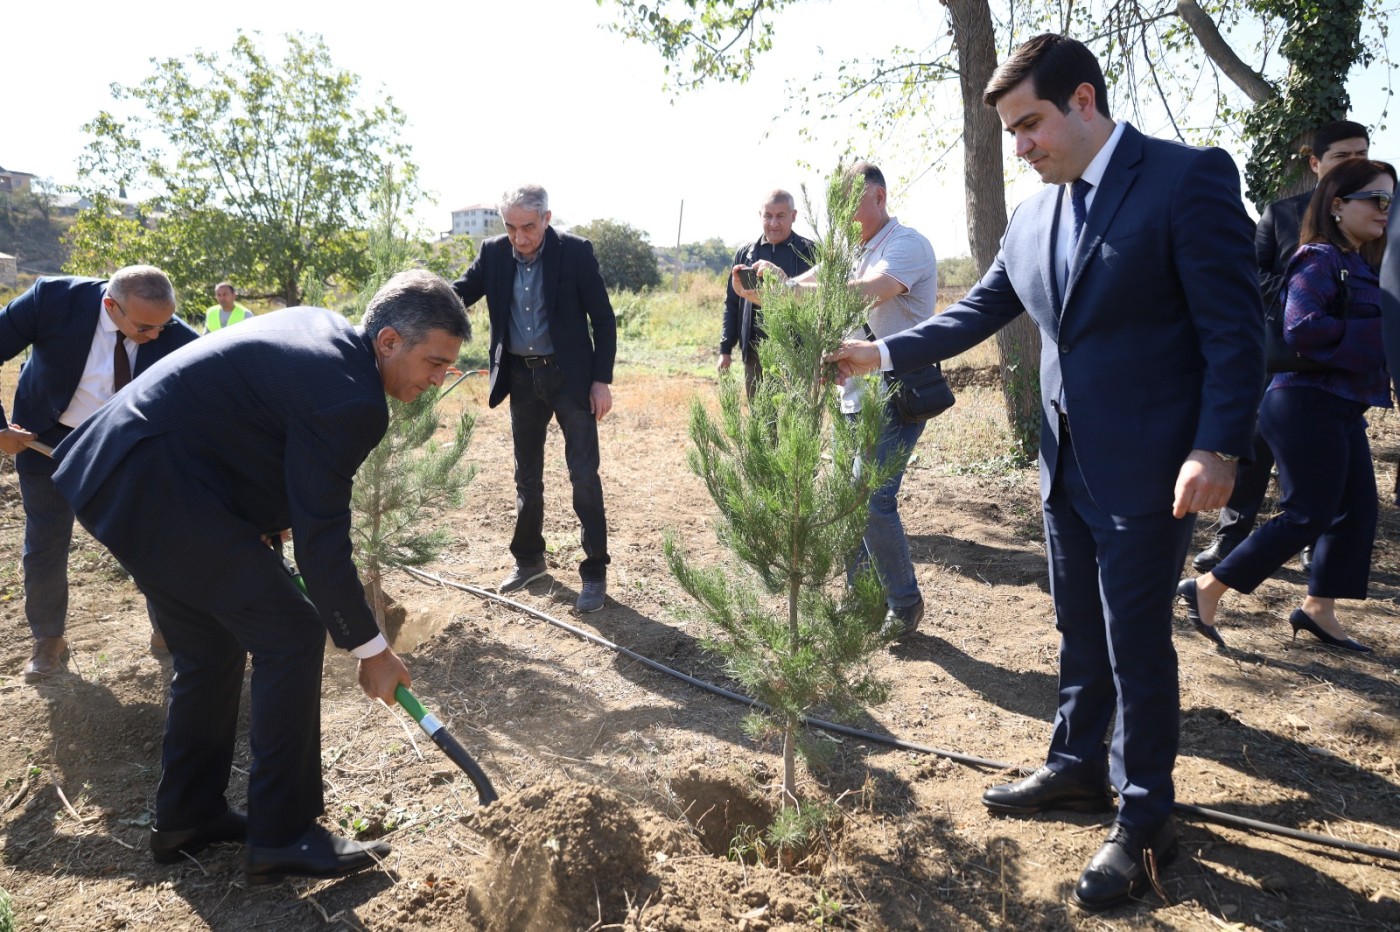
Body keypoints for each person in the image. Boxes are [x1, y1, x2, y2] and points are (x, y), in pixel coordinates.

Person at [827, 34, 1262, 911]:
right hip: (1064, 463)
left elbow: (1234, 329)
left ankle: (1145, 819)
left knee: (1137, 641)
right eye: (1011, 132)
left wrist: (1217, 447)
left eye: (1030, 125)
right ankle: (1074, 767)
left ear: (1086, 101)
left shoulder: (1186, 179)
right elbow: (982, 309)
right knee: (1076, 625)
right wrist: (876, 355)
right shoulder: (1034, 215)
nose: (1020, 147)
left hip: (1154, 466)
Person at [51, 270, 469, 884]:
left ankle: (187, 817)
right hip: (158, 488)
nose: (438, 380)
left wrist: (266, 517)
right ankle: (285, 835)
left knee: (209, 648)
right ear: (387, 341)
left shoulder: (326, 333)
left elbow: (250, 428)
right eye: (434, 362)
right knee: (292, 634)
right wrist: (371, 648)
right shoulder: (352, 399)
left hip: (122, 472)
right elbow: (324, 543)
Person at [1177, 159, 1395, 654]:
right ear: (1338, 205)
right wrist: (1377, 336)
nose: (1387, 210)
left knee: (1357, 509)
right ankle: (1208, 587)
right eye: (1378, 200)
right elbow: (1301, 326)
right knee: (1306, 513)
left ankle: (1319, 608)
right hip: (1304, 403)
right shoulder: (1318, 258)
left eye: (1393, 201)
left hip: (1342, 405)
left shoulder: (1361, 263)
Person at [741, 163, 937, 634]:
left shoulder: (906, 245)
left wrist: (795, 289)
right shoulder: (852, 250)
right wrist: (772, 286)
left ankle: (903, 601)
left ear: (880, 197)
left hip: (895, 391)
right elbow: (808, 283)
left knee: (871, 500)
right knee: (850, 499)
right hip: (853, 392)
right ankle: (862, 597)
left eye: (852, 201)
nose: (843, 212)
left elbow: (870, 291)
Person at [0, 266, 199, 681]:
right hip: (45, 439)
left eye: (165, 324)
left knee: (151, 538)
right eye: (146, 327)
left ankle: (168, 629)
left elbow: (216, 395)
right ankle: (48, 639)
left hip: (121, 445)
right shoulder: (51, 300)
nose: (157, 335)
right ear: (112, 306)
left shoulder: (174, 335)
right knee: (47, 542)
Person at [1194, 120, 1371, 573]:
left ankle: (1316, 544)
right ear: (1316, 163)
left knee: (1331, 458)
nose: (1355, 164)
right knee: (1253, 449)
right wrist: (1305, 291)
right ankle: (1231, 537)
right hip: (1283, 355)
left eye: (1362, 155)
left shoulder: (1378, 214)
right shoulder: (1283, 213)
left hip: (1347, 362)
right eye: (1342, 156)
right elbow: (1249, 273)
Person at [452, 184, 617, 614]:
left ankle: (594, 573)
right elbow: (459, 295)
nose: (520, 238)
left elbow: (603, 318)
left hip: (570, 380)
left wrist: (601, 381)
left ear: (546, 218)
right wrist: (413, 299)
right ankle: (529, 561)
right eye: (511, 227)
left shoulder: (576, 252)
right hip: (521, 381)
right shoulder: (493, 253)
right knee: (526, 477)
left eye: (528, 226)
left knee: (583, 476)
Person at [720, 189, 816, 398]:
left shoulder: (809, 252)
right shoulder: (746, 254)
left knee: (797, 424)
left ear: (793, 215)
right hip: (755, 356)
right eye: (768, 216)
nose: (773, 223)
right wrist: (725, 349)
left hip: (796, 356)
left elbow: (821, 304)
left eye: (780, 216)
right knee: (761, 424)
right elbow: (733, 303)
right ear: (760, 216)